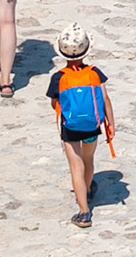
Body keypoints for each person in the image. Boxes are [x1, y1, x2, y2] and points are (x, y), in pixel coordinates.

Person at [46, 24, 113, 228]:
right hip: (93, 126)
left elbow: (54, 103)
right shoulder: (95, 73)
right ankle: (89, 188)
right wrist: (111, 123)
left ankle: (84, 212)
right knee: (88, 158)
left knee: (76, 166)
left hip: (70, 128)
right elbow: (105, 99)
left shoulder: (59, 77)